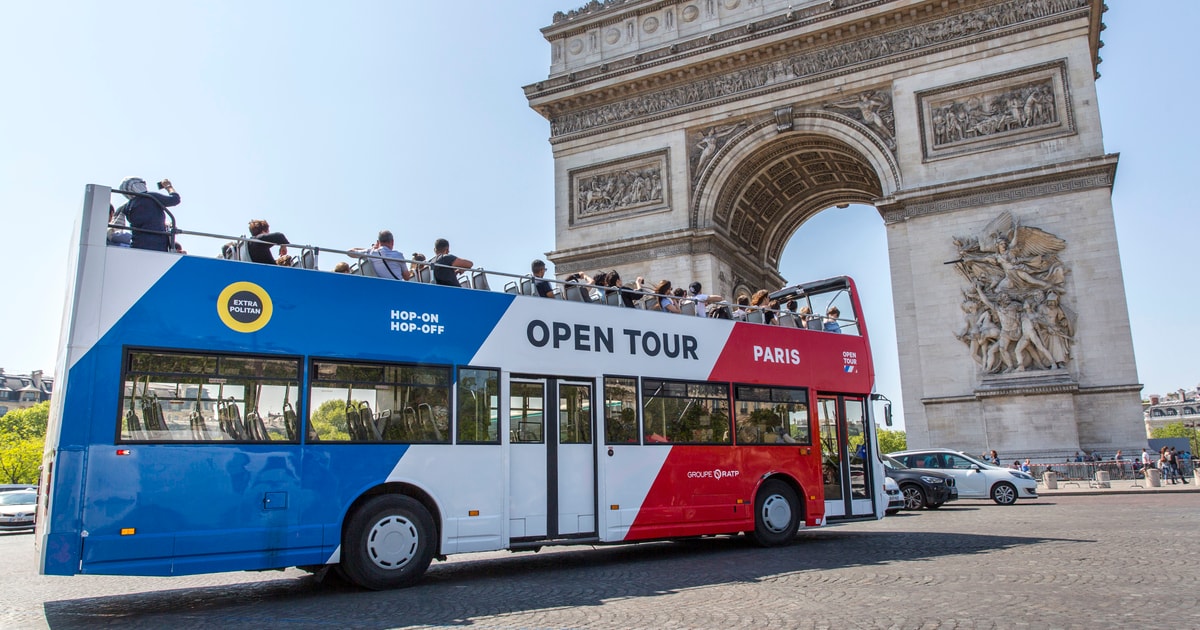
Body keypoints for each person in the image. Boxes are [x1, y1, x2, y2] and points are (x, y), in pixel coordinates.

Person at [116, 176, 180, 252]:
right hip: (158, 246)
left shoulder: (126, 206)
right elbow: (175, 199)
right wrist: (168, 186)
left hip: (137, 246)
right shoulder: (151, 197)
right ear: (137, 185)